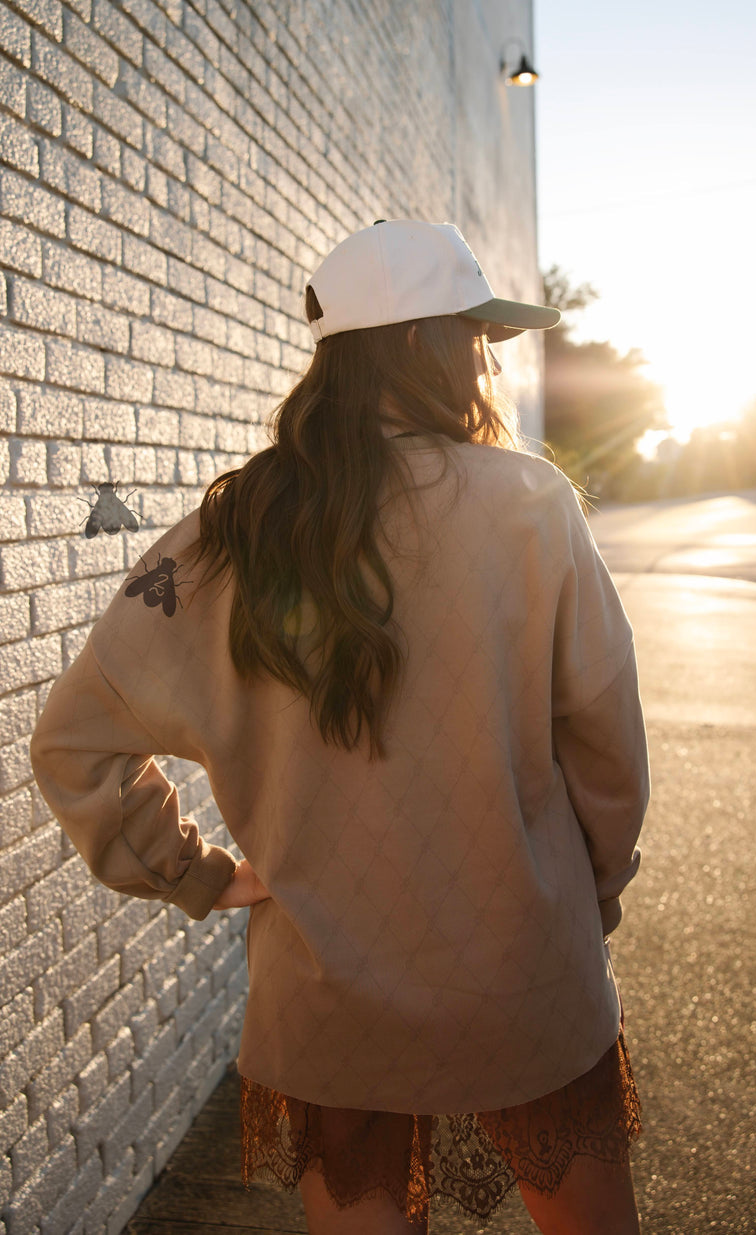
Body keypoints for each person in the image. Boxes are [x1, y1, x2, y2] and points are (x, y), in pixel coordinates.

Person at [30, 219, 649, 1235]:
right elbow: (609, 754)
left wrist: (198, 872)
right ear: (420, 344)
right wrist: (596, 888)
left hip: (327, 985)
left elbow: (72, 743)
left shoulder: (226, 535)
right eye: (472, 336)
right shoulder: (532, 505)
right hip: (524, 968)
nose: (481, 362)